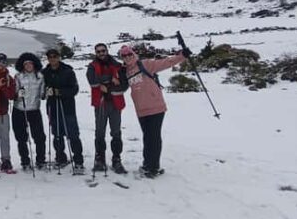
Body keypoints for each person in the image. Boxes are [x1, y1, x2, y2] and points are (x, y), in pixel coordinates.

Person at [120, 44, 191, 178]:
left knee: (154, 137)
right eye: (124, 55)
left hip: (155, 107)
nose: (127, 57)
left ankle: (153, 168)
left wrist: (182, 56)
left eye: (129, 54)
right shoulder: (125, 71)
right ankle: (147, 164)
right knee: (148, 137)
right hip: (141, 110)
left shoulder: (145, 64)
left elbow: (166, 62)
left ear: (133, 54)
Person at [42, 48, 85, 174]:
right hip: (52, 107)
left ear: (59, 57)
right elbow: (42, 90)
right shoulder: (45, 72)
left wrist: (60, 92)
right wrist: (46, 92)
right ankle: (60, 157)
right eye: (50, 57)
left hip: (67, 107)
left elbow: (74, 89)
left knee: (73, 134)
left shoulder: (68, 71)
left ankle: (78, 160)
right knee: (57, 134)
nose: (53, 59)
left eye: (55, 56)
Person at [86, 43, 128, 174]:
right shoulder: (92, 66)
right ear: (96, 53)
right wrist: (111, 80)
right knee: (99, 132)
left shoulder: (117, 65)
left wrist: (105, 85)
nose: (101, 53)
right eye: (98, 51)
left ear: (107, 51)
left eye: (103, 51)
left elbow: (124, 84)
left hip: (115, 103)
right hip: (100, 103)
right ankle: (100, 158)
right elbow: (92, 81)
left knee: (116, 132)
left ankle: (116, 159)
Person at [13, 52, 47, 170]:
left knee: (39, 137)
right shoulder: (18, 76)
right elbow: (14, 92)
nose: (28, 66)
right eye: (26, 64)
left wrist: (46, 94)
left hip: (34, 110)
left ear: (34, 64)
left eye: (30, 64)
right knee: (21, 137)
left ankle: (41, 160)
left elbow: (43, 93)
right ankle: (25, 161)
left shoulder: (40, 77)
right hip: (19, 109)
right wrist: (18, 94)